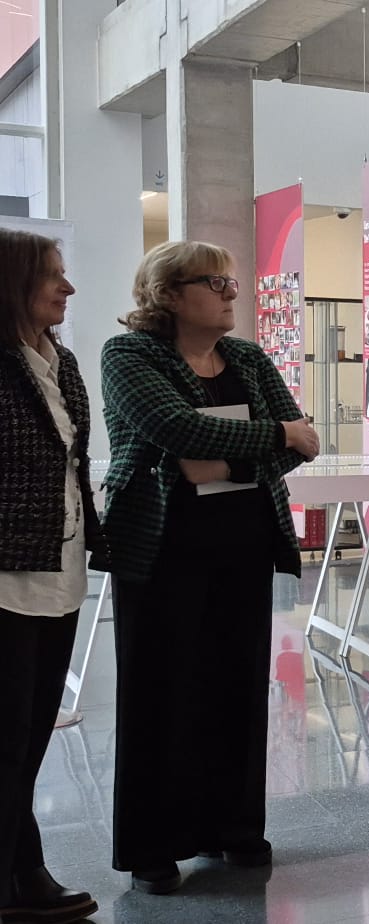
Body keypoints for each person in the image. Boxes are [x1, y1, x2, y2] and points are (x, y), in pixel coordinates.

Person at [99, 241, 321, 893]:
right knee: (159, 693)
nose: (231, 292)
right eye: (215, 282)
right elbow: (178, 430)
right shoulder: (130, 355)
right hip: (161, 546)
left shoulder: (247, 357)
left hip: (243, 540)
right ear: (168, 294)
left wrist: (230, 462)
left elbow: (303, 440)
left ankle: (234, 830)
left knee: (238, 686)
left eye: (231, 281)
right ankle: (152, 847)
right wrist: (277, 437)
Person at [0, 230, 99, 924]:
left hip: (57, 571)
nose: (67, 288)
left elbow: (72, 463)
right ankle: (19, 876)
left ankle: (20, 870)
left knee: (29, 738)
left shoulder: (59, 361)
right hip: (5, 577)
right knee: (5, 740)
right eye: (53, 277)